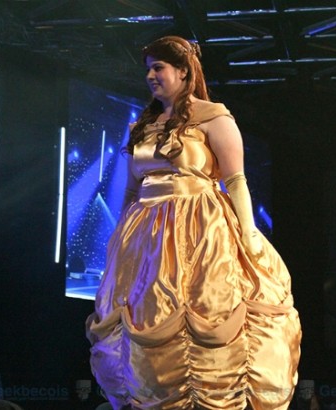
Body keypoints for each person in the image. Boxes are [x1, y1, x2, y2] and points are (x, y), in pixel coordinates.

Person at [85, 35, 301, 410]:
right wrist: (119, 234)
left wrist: (249, 231)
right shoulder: (143, 126)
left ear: (183, 72)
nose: (151, 76)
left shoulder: (213, 116)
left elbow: (236, 180)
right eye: (148, 69)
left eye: (159, 67)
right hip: (146, 235)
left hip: (200, 226)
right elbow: (132, 190)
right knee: (145, 314)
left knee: (207, 305)